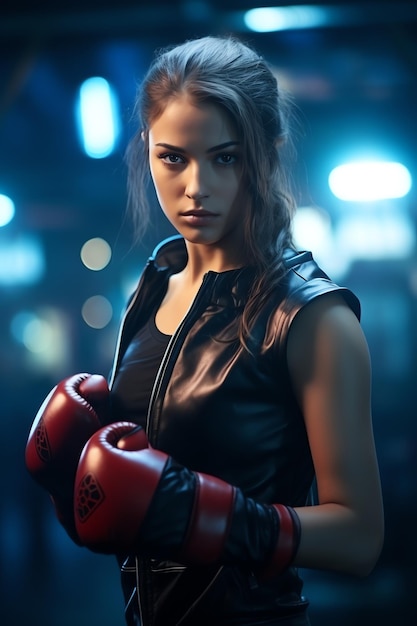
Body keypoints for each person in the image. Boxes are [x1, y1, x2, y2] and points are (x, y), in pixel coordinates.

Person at [26, 35, 384, 625]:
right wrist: (77, 494)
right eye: (173, 158)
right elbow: (137, 515)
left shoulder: (311, 318)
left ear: (266, 152)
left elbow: (360, 538)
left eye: (225, 157)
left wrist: (209, 517)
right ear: (146, 150)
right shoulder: (150, 294)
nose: (195, 187)